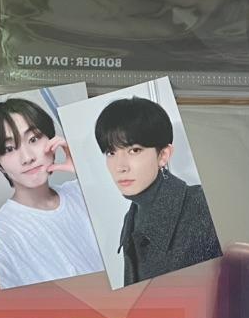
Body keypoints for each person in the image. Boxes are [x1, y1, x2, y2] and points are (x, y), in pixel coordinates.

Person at [95, 96, 222, 286]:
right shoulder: (131, 217)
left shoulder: (204, 206)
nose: (120, 167)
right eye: (111, 153)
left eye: (134, 150)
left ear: (163, 155)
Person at [0, 97, 104, 289]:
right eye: (9, 148)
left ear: (53, 142)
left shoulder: (82, 190)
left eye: (33, 139)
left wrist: (86, 172)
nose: (27, 158)